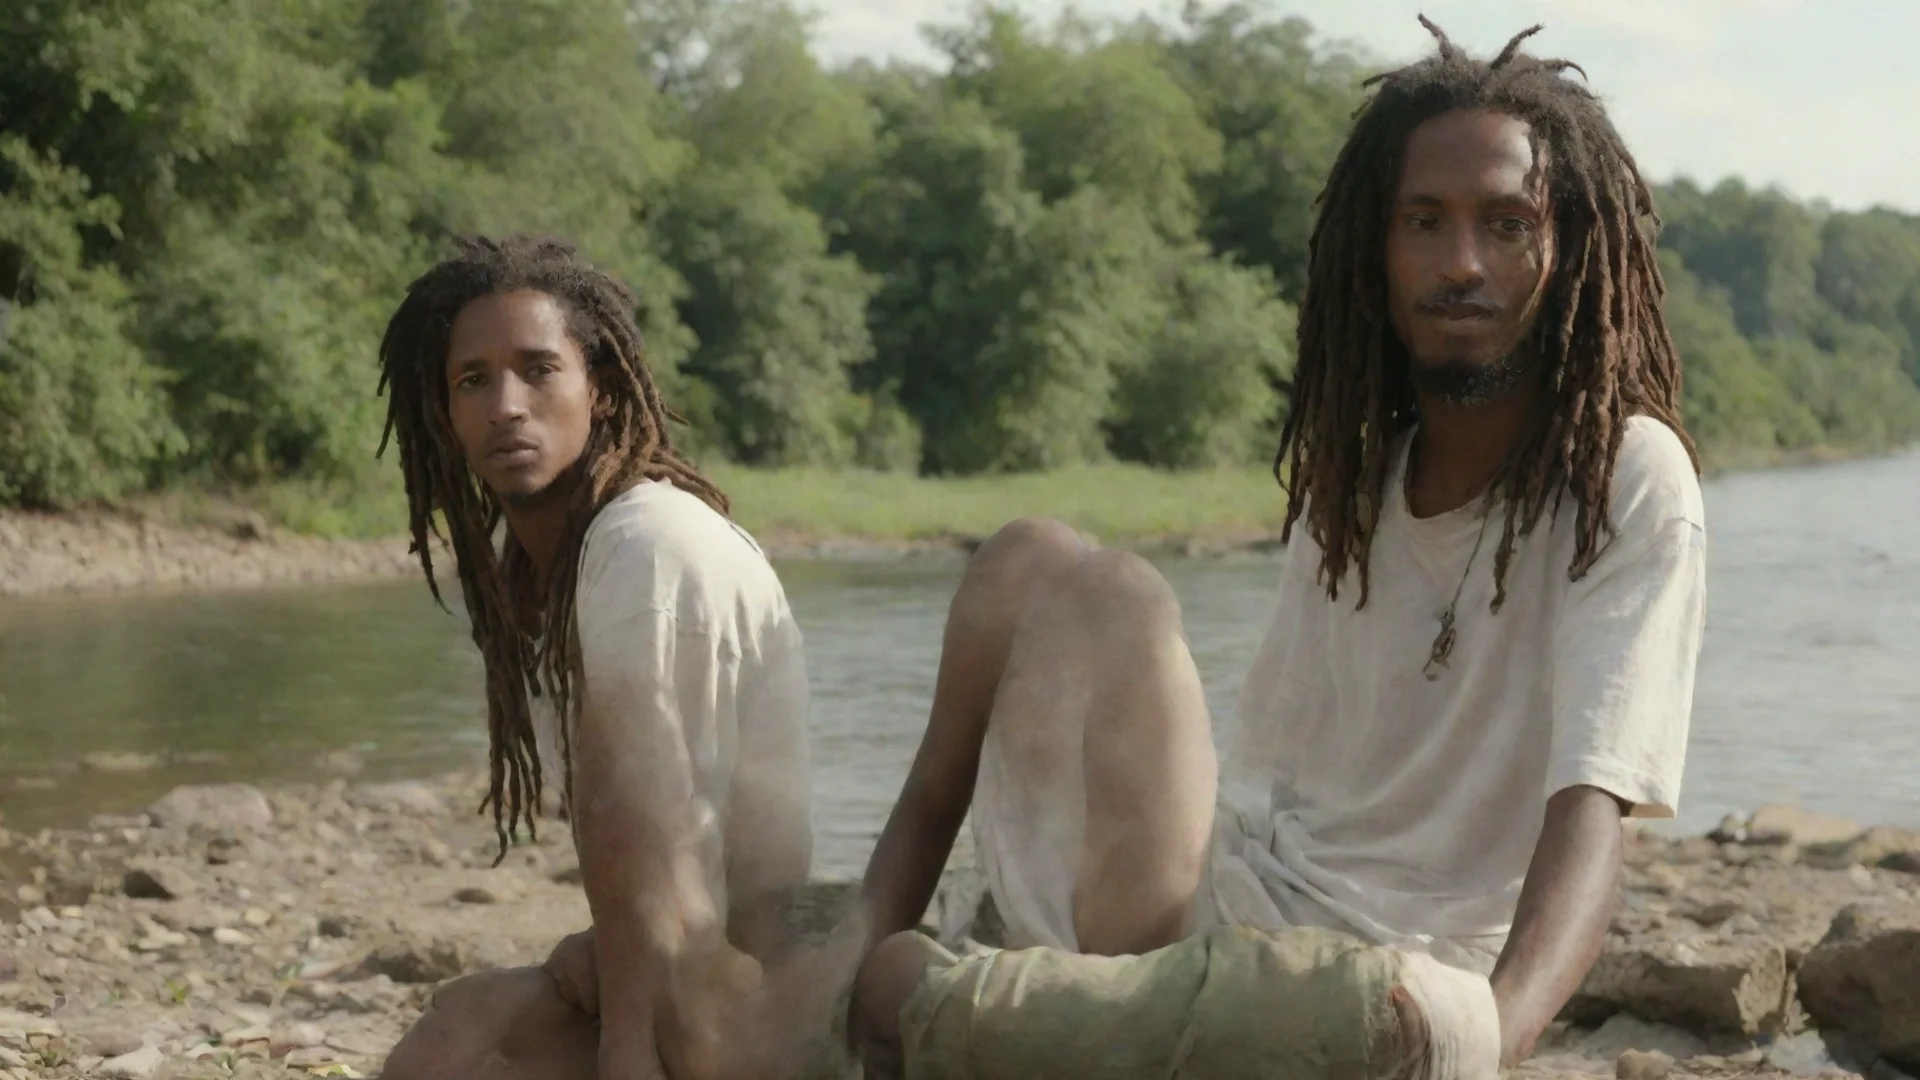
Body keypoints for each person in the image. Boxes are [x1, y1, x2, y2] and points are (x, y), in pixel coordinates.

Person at [852, 18, 1707, 1076]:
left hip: (1396, 981)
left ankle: (985, 1006)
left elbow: (1594, 808)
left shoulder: (1627, 476)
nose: (1462, 263)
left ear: (1566, 247)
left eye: (1506, 224)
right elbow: (1269, 792)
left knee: (1372, 1010)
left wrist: (1495, 1035)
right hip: (1228, 923)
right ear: (1376, 251)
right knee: (1050, 565)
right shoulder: (1355, 480)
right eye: (1424, 222)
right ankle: (912, 979)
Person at [373, 236, 845, 1080]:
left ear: (601, 387)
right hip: (700, 944)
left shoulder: (645, 547)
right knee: (458, 1035)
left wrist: (627, 1046)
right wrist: (607, 941)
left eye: (538, 370)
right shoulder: (546, 572)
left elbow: (654, 828)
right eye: (473, 381)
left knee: (459, 1053)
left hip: (770, 979)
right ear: (445, 414)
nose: (506, 406)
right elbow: (657, 838)